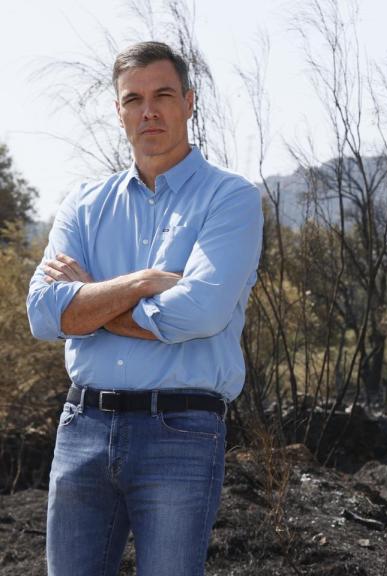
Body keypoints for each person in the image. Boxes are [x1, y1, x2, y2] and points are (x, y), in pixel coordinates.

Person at [25, 41, 262, 576]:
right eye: (133, 99)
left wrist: (90, 303)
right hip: (82, 424)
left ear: (190, 101)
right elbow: (43, 312)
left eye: (162, 95)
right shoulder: (84, 204)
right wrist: (140, 284)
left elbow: (200, 313)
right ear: (119, 111)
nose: (148, 110)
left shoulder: (230, 198)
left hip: (179, 429)